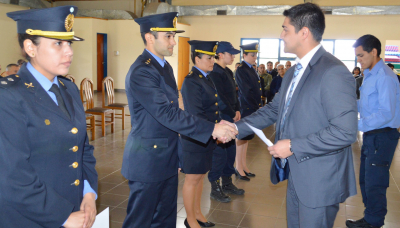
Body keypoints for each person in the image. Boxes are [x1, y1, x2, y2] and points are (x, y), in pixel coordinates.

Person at [235, 3, 357, 227]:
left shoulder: (333, 71)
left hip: (319, 180)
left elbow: (345, 132)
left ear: (304, 32)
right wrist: (236, 129)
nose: (281, 35)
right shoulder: (294, 71)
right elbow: (274, 109)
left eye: (285, 29)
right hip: (297, 173)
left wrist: (293, 146)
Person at [121, 13, 237, 228]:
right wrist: (212, 128)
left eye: (173, 36)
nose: (173, 41)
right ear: (149, 38)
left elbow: (173, 111)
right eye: (168, 36)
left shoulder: (163, 67)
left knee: (165, 219)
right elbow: (167, 113)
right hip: (148, 159)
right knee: (141, 221)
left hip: (166, 155)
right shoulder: (142, 71)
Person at [0, 6, 98, 228]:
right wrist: (62, 216)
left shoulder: (69, 89)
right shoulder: (8, 96)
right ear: (30, 48)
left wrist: (89, 193)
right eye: (58, 43)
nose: (69, 51)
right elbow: (12, 175)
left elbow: (83, 148)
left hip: (74, 206)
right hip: (32, 217)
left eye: (69, 43)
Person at [346, 35, 400, 228]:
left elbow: (386, 113)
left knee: (375, 183)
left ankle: (374, 222)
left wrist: (355, 125)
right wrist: (348, 108)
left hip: (382, 135)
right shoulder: (369, 75)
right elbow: (365, 104)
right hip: (372, 135)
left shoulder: (385, 76)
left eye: (361, 55)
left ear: (374, 52)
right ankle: (370, 217)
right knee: (366, 181)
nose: (358, 59)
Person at [180, 40, 221, 228]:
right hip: (195, 137)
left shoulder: (205, 77)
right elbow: (196, 113)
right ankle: (189, 219)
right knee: (192, 178)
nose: (213, 61)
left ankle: (198, 214)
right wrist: (215, 130)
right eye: (209, 58)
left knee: (201, 175)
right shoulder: (191, 80)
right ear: (197, 59)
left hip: (206, 135)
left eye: (213, 57)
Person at [208, 41, 245, 203]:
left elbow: (234, 94)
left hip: (231, 117)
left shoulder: (228, 72)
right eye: (230, 54)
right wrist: (232, 112)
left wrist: (237, 110)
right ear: (220, 55)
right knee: (220, 155)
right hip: (222, 118)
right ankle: (215, 188)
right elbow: (220, 99)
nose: (233, 56)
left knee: (230, 152)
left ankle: (227, 183)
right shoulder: (215, 73)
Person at [235, 42, 262, 181]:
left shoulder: (251, 69)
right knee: (241, 139)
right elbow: (246, 92)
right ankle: (238, 168)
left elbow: (257, 90)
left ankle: (244, 166)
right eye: (252, 55)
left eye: (256, 55)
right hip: (246, 108)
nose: (254, 57)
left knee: (246, 140)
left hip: (252, 108)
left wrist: (259, 106)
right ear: (244, 55)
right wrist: (255, 107)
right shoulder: (241, 70)